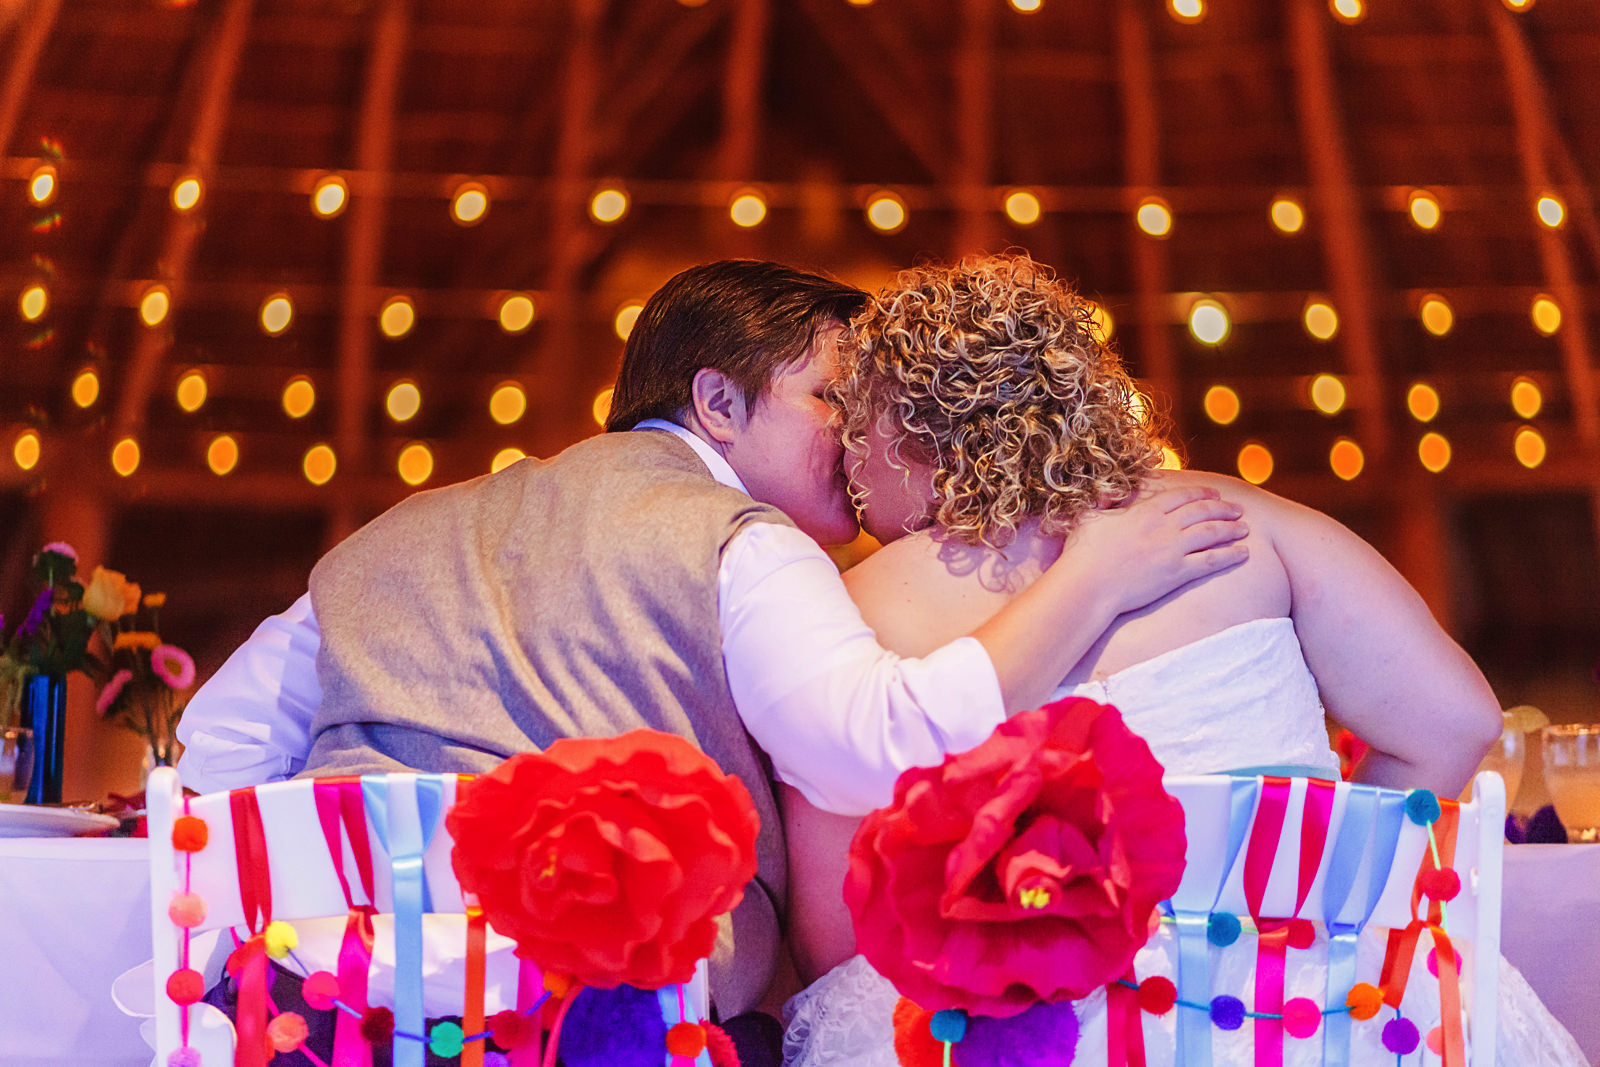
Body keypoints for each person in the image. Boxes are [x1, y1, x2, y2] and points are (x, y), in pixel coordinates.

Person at [175, 260, 1248, 1037]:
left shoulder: (401, 530)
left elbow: (219, 738)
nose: (868, 440)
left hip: (325, 1014)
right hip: (593, 1026)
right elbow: (873, 744)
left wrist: (250, 949)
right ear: (718, 401)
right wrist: (1092, 576)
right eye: (835, 398)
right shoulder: (739, 539)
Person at [780, 253, 1584, 1066]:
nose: (846, 457)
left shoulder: (855, 606)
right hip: (1319, 1027)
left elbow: (836, 938)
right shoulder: (1232, 519)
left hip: (1021, 1037)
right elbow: (1459, 719)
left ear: (906, 425)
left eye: (855, 420)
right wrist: (1321, 905)